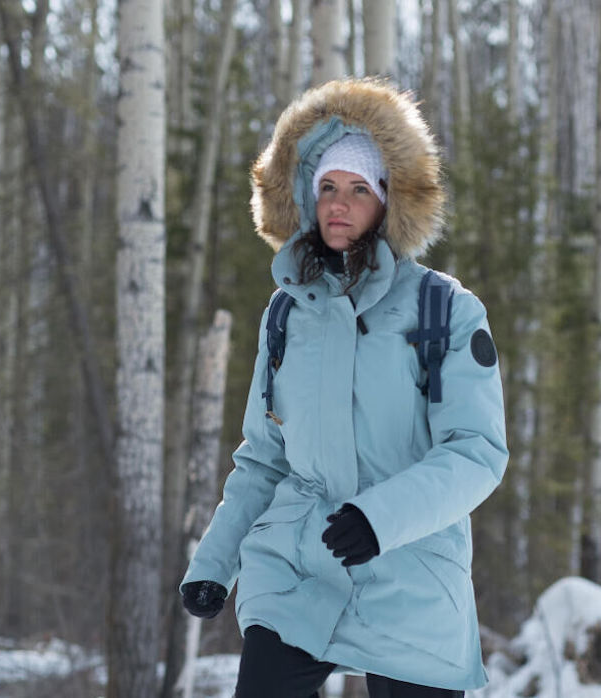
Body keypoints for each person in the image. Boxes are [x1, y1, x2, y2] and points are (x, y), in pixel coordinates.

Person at [179, 78, 508, 698]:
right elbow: (262, 458)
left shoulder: (445, 309)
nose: (339, 203)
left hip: (411, 574)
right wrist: (214, 563)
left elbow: (477, 452)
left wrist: (377, 519)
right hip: (299, 572)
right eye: (328, 186)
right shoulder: (286, 314)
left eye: (360, 189)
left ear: (390, 201)